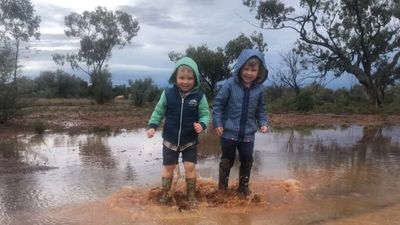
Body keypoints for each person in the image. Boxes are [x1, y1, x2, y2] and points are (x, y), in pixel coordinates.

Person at [147, 57, 210, 206]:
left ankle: (191, 195)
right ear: (175, 77)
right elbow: (158, 111)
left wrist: (202, 124)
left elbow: (205, 114)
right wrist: (152, 126)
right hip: (170, 139)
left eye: (189, 78)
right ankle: (165, 195)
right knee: (168, 168)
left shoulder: (199, 96)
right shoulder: (168, 94)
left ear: (195, 78)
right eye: (182, 78)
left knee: (190, 166)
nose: (185, 81)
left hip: (190, 140)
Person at [212, 49, 268, 195]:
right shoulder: (230, 84)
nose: (249, 73)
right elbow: (218, 105)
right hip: (228, 133)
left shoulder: (259, 89)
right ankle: (222, 190)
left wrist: (263, 122)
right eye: (246, 69)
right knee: (227, 161)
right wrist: (217, 123)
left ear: (259, 72)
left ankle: (243, 189)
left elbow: (261, 109)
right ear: (240, 68)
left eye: (253, 70)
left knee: (247, 160)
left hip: (248, 134)